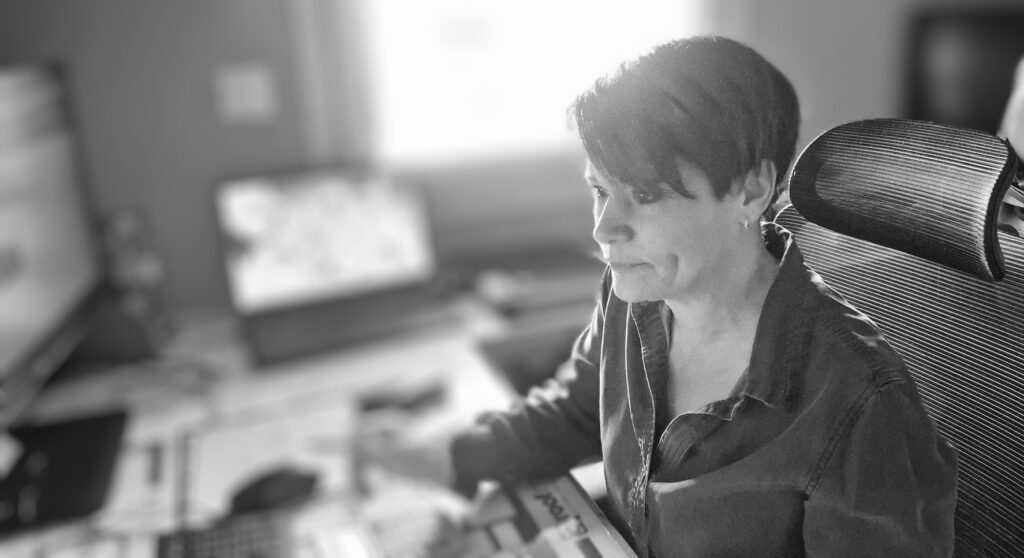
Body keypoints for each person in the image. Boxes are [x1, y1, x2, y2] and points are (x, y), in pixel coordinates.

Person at [361, 35, 958, 557]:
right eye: (600, 191)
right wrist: (447, 457)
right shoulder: (636, 294)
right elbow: (576, 412)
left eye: (644, 196)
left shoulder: (862, 402)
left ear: (752, 191)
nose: (604, 230)